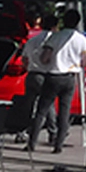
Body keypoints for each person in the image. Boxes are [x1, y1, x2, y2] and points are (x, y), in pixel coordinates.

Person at [26, 9, 86, 155]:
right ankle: (58, 145)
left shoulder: (55, 37)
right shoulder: (81, 39)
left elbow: (45, 58)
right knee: (65, 111)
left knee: (42, 110)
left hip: (54, 75)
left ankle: (32, 143)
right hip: (70, 77)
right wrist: (76, 64)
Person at [18, 13, 59, 145]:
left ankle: (22, 131)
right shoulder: (54, 40)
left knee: (28, 104)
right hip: (46, 74)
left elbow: (24, 58)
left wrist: (29, 67)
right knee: (48, 105)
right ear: (55, 26)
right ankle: (53, 132)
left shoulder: (32, 40)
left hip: (31, 74)